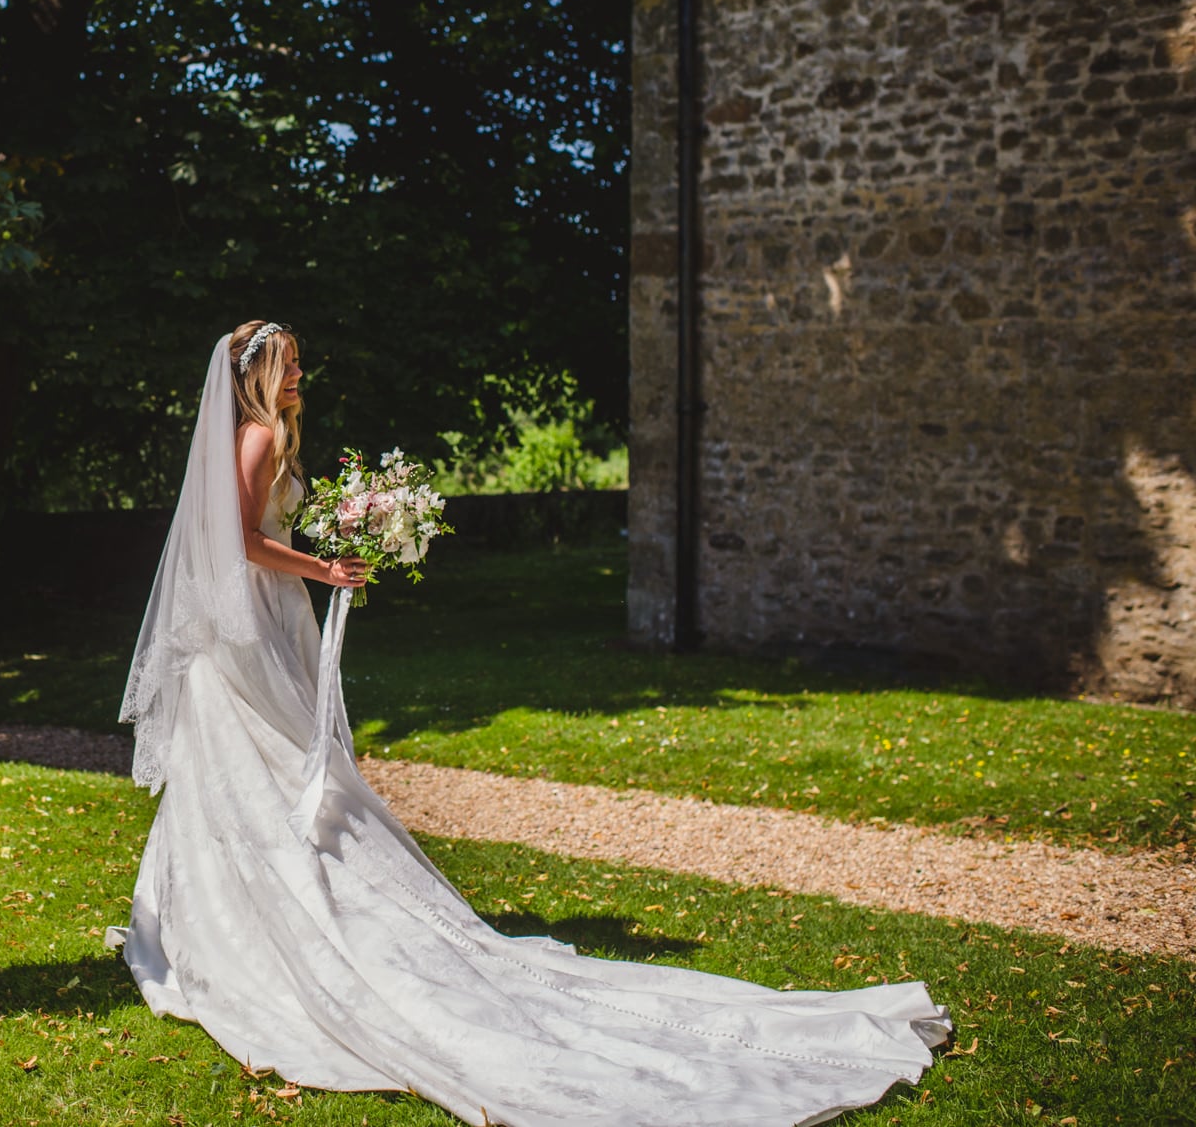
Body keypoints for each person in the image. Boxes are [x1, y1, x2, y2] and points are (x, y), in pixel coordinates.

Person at [112, 320, 950, 1126]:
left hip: (266, 616)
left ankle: (198, 923)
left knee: (258, 774)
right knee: (260, 771)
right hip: (255, 620)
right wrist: (325, 566)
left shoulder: (270, 438)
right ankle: (223, 926)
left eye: (298, 362)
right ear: (255, 374)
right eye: (287, 365)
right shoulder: (258, 439)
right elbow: (242, 546)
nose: (299, 375)